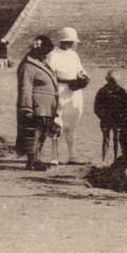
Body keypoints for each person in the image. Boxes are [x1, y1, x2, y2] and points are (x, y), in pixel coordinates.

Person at [46, 27, 89, 165]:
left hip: (74, 93)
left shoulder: (73, 55)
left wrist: (83, 77)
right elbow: (53, 74)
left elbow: (80, 70)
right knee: (56, 123)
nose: (70, 44)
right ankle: (54, 156)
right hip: (60, 91)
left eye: (71, 42)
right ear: (62, 41)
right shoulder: (53, 55)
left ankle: (72, 155)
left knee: (72, 125)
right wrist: (70, 80)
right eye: (68, 41)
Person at [16, 35, 59, 171]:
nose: (46, 55)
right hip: (36, 106)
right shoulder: (28, 66)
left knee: (42, 134)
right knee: (34, 133)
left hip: (47, 107)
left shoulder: (42, 64)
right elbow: (25, 88)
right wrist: (26, 108)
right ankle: (32, 161)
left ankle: (36, 159)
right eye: (44, 52)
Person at [93, 70, 127, 165]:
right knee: (106, 139)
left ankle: (115, 159)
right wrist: (102, 115)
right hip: (106, 119)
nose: (113, 83)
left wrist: (122, 117)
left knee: (116, 139)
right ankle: (104, 160)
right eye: (111, 80)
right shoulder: (102, 91)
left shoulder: (122, 91)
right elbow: (96, 107)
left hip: (117, 119)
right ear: (108, 80)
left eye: (114, 81)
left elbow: (126, 106)